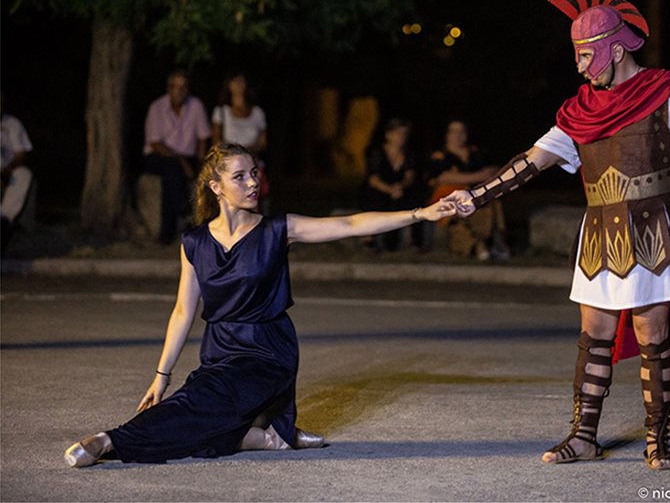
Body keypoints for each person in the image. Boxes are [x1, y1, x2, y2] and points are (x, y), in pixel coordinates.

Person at [443, 0, 670, 470]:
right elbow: (529, 163)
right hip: (601, 233)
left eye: (587, 55)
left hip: (655, 231)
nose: (581, 67)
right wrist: (473, 197)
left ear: (615, 50)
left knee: (651, 334)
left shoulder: (667, 93)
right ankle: (583, 437)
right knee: (594, 334)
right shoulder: (579, 111)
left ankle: (656, 441)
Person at [64, 142, 456, 468]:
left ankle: (108, 440)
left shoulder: (277, 230)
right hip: (219, 352)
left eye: (254, 173)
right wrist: (161, 376)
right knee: (199, 422)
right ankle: (272, 438)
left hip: (268, 352)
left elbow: (351, 224)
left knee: (198, 404)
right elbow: (183, 311)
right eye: (240, 177)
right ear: (216, 187)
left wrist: (422, 213)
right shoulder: (195, 243)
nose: (253, 182)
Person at [142, 69, 212, 245]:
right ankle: (185, 210)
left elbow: (203, 137)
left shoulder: (195, 106)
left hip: (184, 158)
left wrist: (200, 163)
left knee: (170, 177)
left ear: (187, 89)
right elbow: (155, 143)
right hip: (157, 155)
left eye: (182, 87)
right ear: (168, 88)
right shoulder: (157, 107)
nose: (179, 92)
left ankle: (167, 234)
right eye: (175, 87)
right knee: (171, 166)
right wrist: (181, 162)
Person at [427, 119, 510, 261]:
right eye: (454, 132)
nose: (458, 135)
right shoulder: (439, 156)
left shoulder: (476, 153)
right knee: (458, 223)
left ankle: (497, 241)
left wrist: (477, 177)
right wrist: (477, 176)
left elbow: (492, 171)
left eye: (462, 131)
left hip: (477, 198)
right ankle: (477, 246)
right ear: (447, 135)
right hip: (450, 202)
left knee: (495, 206)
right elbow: (443, 177)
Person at [359, 118, 425, 252]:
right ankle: (369, 238)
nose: (401, 137)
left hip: (400, 190)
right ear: (388, 134)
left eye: (404, 133)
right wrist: (390, 190)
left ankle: (416, 241)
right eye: (397, 133)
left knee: (414, 200)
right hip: (380, 189)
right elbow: (373, 178)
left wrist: (399, 187)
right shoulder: (377, 152)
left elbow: (410, 176)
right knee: (374, 201)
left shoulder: (409, 153)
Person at [211, 72, 270, 212]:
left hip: (253, 163)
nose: (238, 85)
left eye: (241, 81)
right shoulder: (221, 112)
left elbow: (263, 142)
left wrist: (247, 154)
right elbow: (216, 141)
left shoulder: (257, 113)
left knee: (254, 198)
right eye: (235, 81)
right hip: (229, 165)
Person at [0, 92, 34, 254]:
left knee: (23, 174)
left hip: (7, 169)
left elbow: (21, 153)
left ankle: (4, 220)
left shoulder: (11, 124)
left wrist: (8, 168)